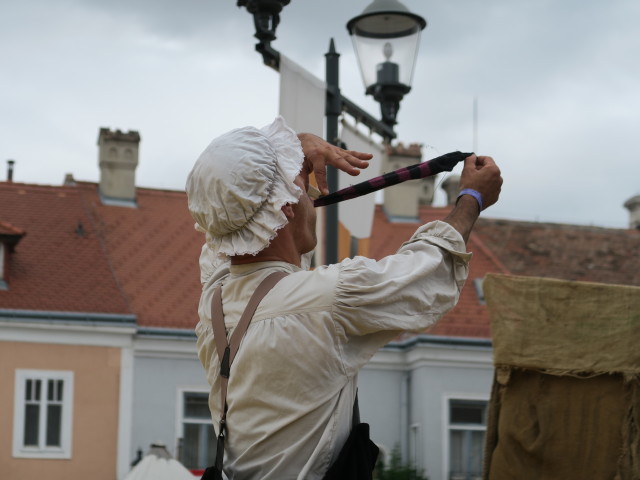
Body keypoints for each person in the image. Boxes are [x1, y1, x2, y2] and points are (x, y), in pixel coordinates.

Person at [186, 116, 502, 480]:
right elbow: (428, 268)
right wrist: (472, 199)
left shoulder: (214, 299)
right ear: (285, 208)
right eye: (303, 190)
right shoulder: (329, 300)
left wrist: (293, 161)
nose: (310, 197)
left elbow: (250, 242)